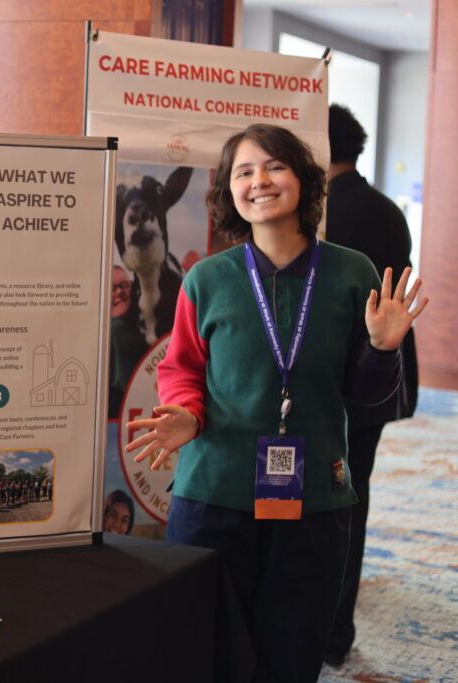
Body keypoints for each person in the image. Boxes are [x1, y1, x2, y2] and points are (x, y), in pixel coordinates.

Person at [126, 123, 427, 683]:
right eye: (244, 172)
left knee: (292, 651)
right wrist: (188, 413)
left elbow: (363, 398)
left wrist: (384, 350)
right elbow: (183, 366)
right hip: (214, 491)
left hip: (313, 497)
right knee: (205, 646)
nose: (259, 181)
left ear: (304, 180)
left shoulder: (350, 273)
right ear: (228, 190)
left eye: (274, 167)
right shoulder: (206, 279)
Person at [324, 104, 420, 666]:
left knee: (321, 506)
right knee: (354, 497)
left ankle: (322, 626)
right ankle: (339, 632)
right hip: (381, 379)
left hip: (331, 384)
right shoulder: (388, 209)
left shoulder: (319, 214)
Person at [108, 263, 148, 419]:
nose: (120, 293)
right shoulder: (116, 329)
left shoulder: (144, 325)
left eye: (124, 286)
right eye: (112, 289)